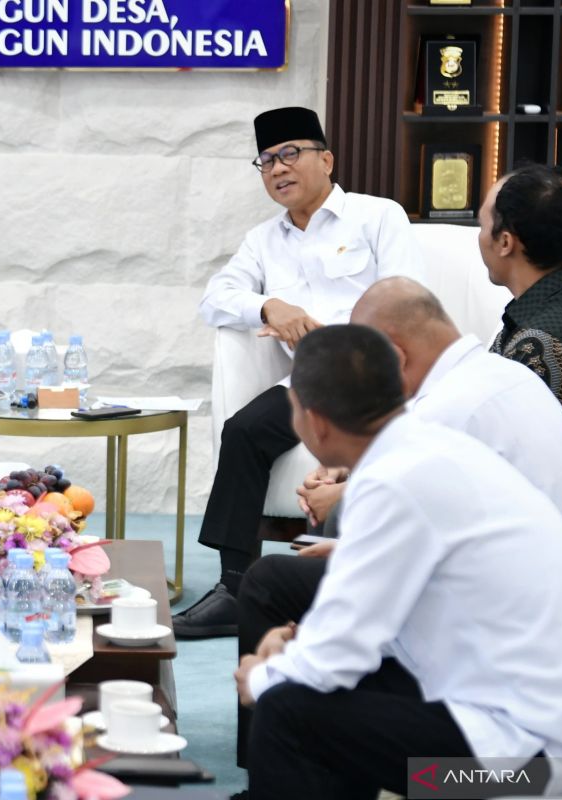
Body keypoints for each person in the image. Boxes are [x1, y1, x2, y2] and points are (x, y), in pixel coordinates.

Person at [233, 276, 562, 768]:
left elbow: (341, 653)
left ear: (315, 423)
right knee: (310, 691)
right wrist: (300, 647)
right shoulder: (444, 424)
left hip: (526, 776)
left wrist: (261, 677)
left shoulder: (407, 463)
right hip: (527, 707)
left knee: (287, 709)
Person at [175, 106, 420, 638]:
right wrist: (270, 307)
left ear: (326, 160)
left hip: (376, 376)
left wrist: (338, 336)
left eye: (290, 154)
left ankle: (344, 589)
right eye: (266, 161)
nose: (278, 168)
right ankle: (235, 588)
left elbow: (405, 298)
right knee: (243, 431)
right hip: (309, 384)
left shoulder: (378, 217)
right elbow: (215, 298)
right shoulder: (263, 240)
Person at [478, 163, 562, 433]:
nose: (479, 236)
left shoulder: (535, 346)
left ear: (505, 242)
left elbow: (495, 440)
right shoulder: (553, 308)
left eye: (481, 225)